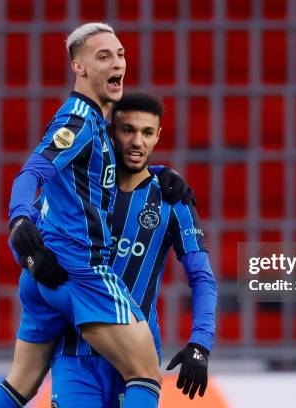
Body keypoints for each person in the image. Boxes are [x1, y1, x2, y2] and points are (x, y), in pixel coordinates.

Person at [0, 23, 188, 408]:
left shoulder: (94, 124)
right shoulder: (76, 123)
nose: (117, 63)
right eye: (104, 56)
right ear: (79, 67)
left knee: (19, 385)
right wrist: (19, 220)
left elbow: (104, 172)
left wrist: (162, 173)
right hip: (82, 270)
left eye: (121, 54)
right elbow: (31, 172)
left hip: (42, 274)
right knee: (145, 371)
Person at [46, 92, 217, 407]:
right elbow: (32, 225)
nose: (137, 141)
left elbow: (202, 278)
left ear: (157, 136)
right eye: (128, 130)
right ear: (111, 132)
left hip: (137, 360)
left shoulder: (172, 200)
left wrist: (200, 344)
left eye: (147, 132)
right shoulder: (80, 189)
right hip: (76, 354)